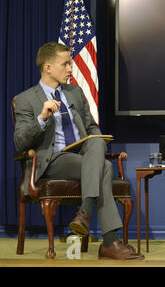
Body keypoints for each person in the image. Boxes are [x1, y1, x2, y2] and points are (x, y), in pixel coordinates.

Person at [13, 42, 144, 260]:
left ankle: (85, 214)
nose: (70, 69)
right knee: (104, 167)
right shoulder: (26, 99)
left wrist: (97, 137)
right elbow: (20, 142)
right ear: (47, 68)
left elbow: (91, 127)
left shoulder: (74, 92)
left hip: (82, 155)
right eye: (64, 64)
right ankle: (110, 242)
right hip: (52, 160)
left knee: (96, 144)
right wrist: (42, 118)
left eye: (70, 63)